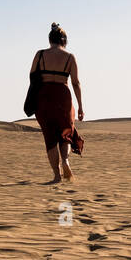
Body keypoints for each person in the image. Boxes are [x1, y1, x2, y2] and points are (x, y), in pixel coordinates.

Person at [30, 23, 84, 183]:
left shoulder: (40, 55)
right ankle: (66, 161)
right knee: (65, 133)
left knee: (50, 135)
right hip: (63, 95)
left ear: (50, 39)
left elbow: (33, 76)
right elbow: (76, 82)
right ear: (64, 40)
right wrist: (80, 106)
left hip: (44, 96)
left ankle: (56, 175)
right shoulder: (69, 57)